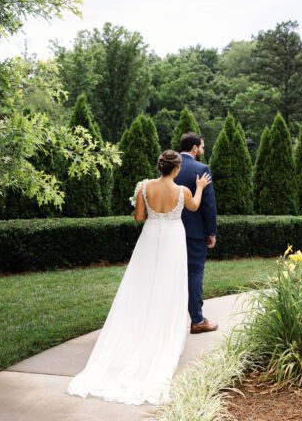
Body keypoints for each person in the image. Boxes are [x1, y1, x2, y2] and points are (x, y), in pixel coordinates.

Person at [66, 150, 212, 405]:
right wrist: (199, 186)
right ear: (176, 169)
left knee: (142, 284)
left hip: (149, 238)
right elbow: (195, 206)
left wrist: (147, 204)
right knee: (170, 286)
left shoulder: (144, 187)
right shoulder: (182, 192)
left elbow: (139, 217)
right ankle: (162, 330)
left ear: (160, 167)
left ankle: (138, 327)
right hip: (172, 240)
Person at [174, 132, 219, 334]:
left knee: (172, 274)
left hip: (170, 231)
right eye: (201, 147)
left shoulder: (168, 169)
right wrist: (211, 232)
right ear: (194, 148)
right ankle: (197, 320)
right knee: (194, 273)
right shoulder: (201, 169)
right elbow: (208, 205)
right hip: (194, 232)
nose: (202, 150)